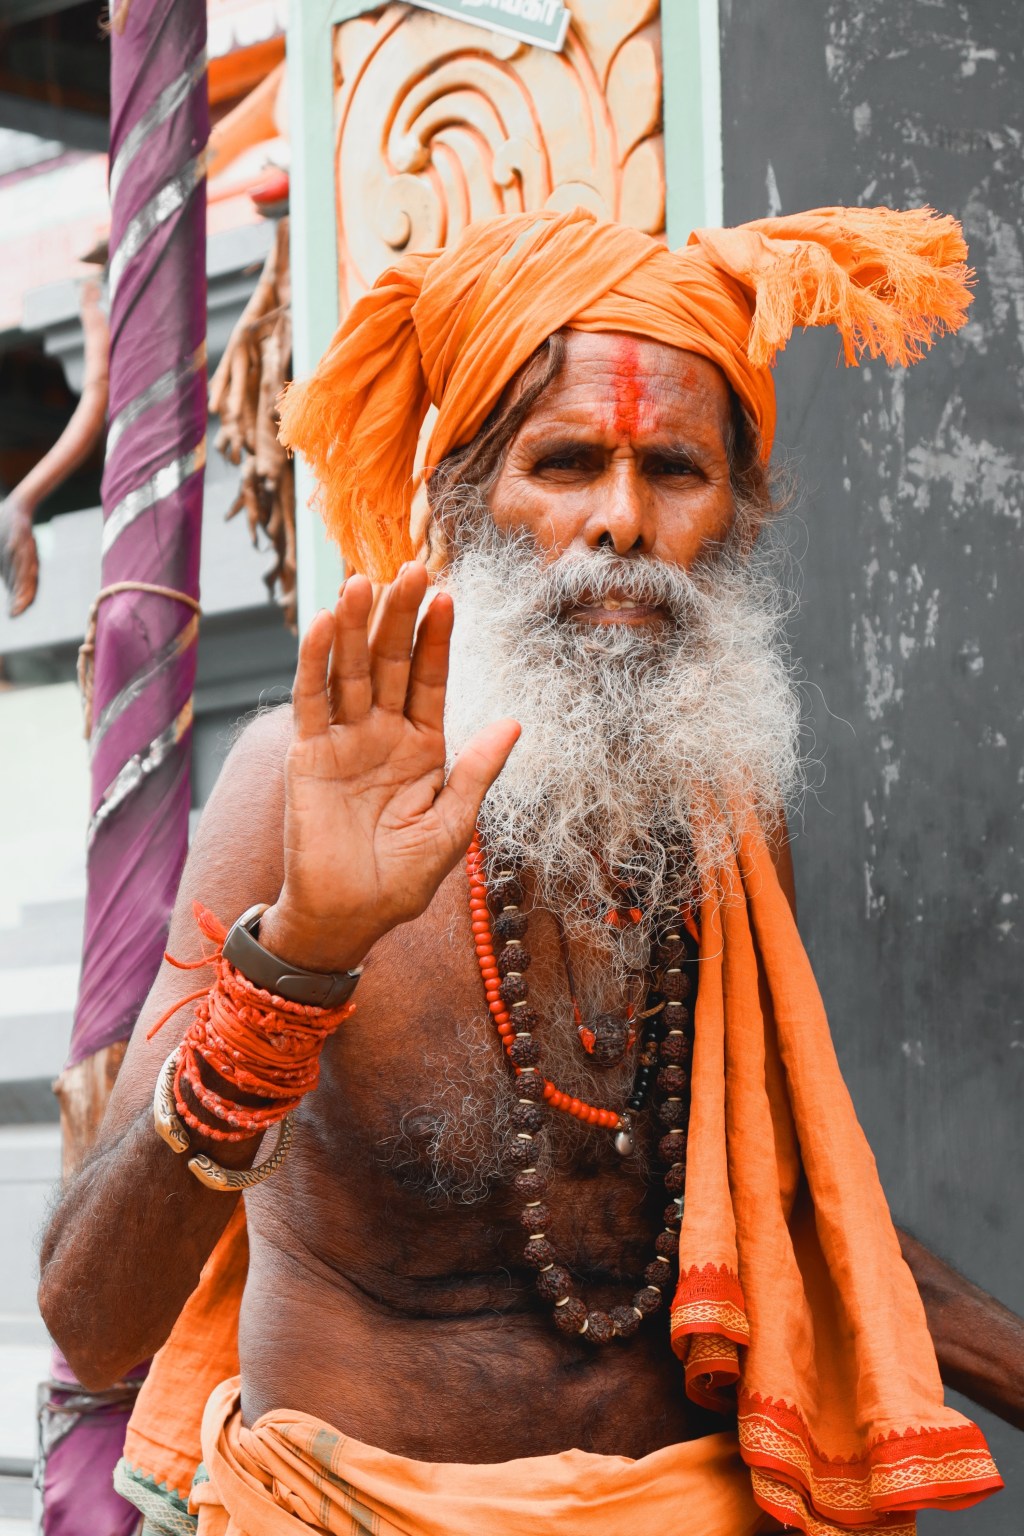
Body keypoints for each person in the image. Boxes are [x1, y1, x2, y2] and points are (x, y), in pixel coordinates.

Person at [39, 207, 1024, 1536]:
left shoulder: (725, 817)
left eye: (675, 470)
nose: (620, 521)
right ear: (464, 507)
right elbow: (93, 1321)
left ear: (734, 518)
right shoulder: (294, 784)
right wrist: (299, 961)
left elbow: (791, 1203)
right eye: (565, 464)